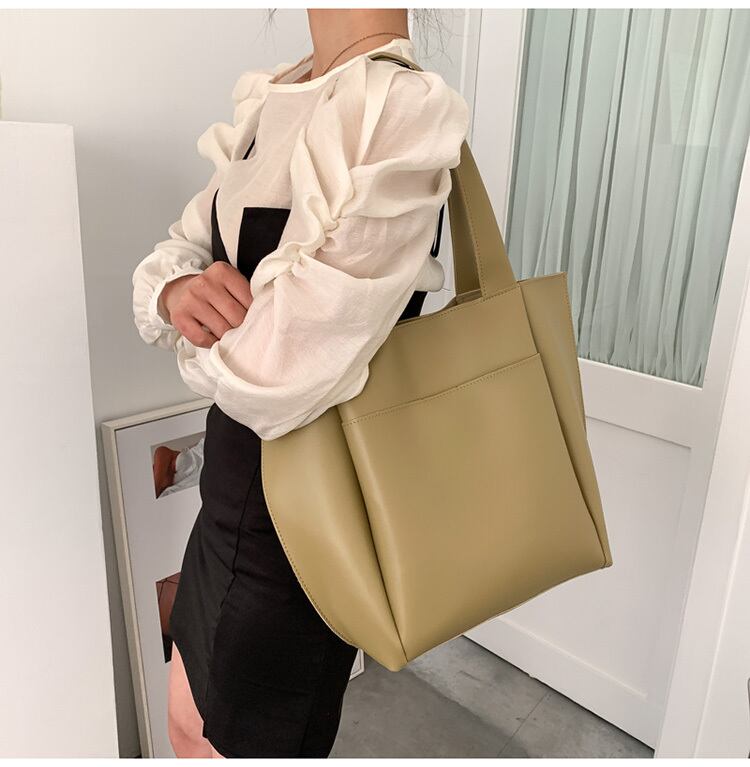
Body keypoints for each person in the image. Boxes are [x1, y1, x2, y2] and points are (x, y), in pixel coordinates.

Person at [131, 8, 469, 758]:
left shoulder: (397, 108)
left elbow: (278, 372)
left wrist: (195, 338)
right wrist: (174, 293)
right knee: (185, 728)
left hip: (306, 533)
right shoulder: (277, 93)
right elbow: (179, 251)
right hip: (225, 495)